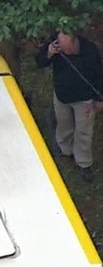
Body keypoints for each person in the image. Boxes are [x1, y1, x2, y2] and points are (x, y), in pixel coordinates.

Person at [35, 30, 103, 183]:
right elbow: (40, 62)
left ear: (74, 42)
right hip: (61, 96)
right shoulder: (55, 45)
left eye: (67, 50)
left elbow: (99, 75)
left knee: (83, 131)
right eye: (61, 49)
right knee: (63, 124)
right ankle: (65, 149)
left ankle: (84, 163)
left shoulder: (90, 51)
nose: (64, 52)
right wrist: (49, 53)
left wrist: (99, 99)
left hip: (84, 99)